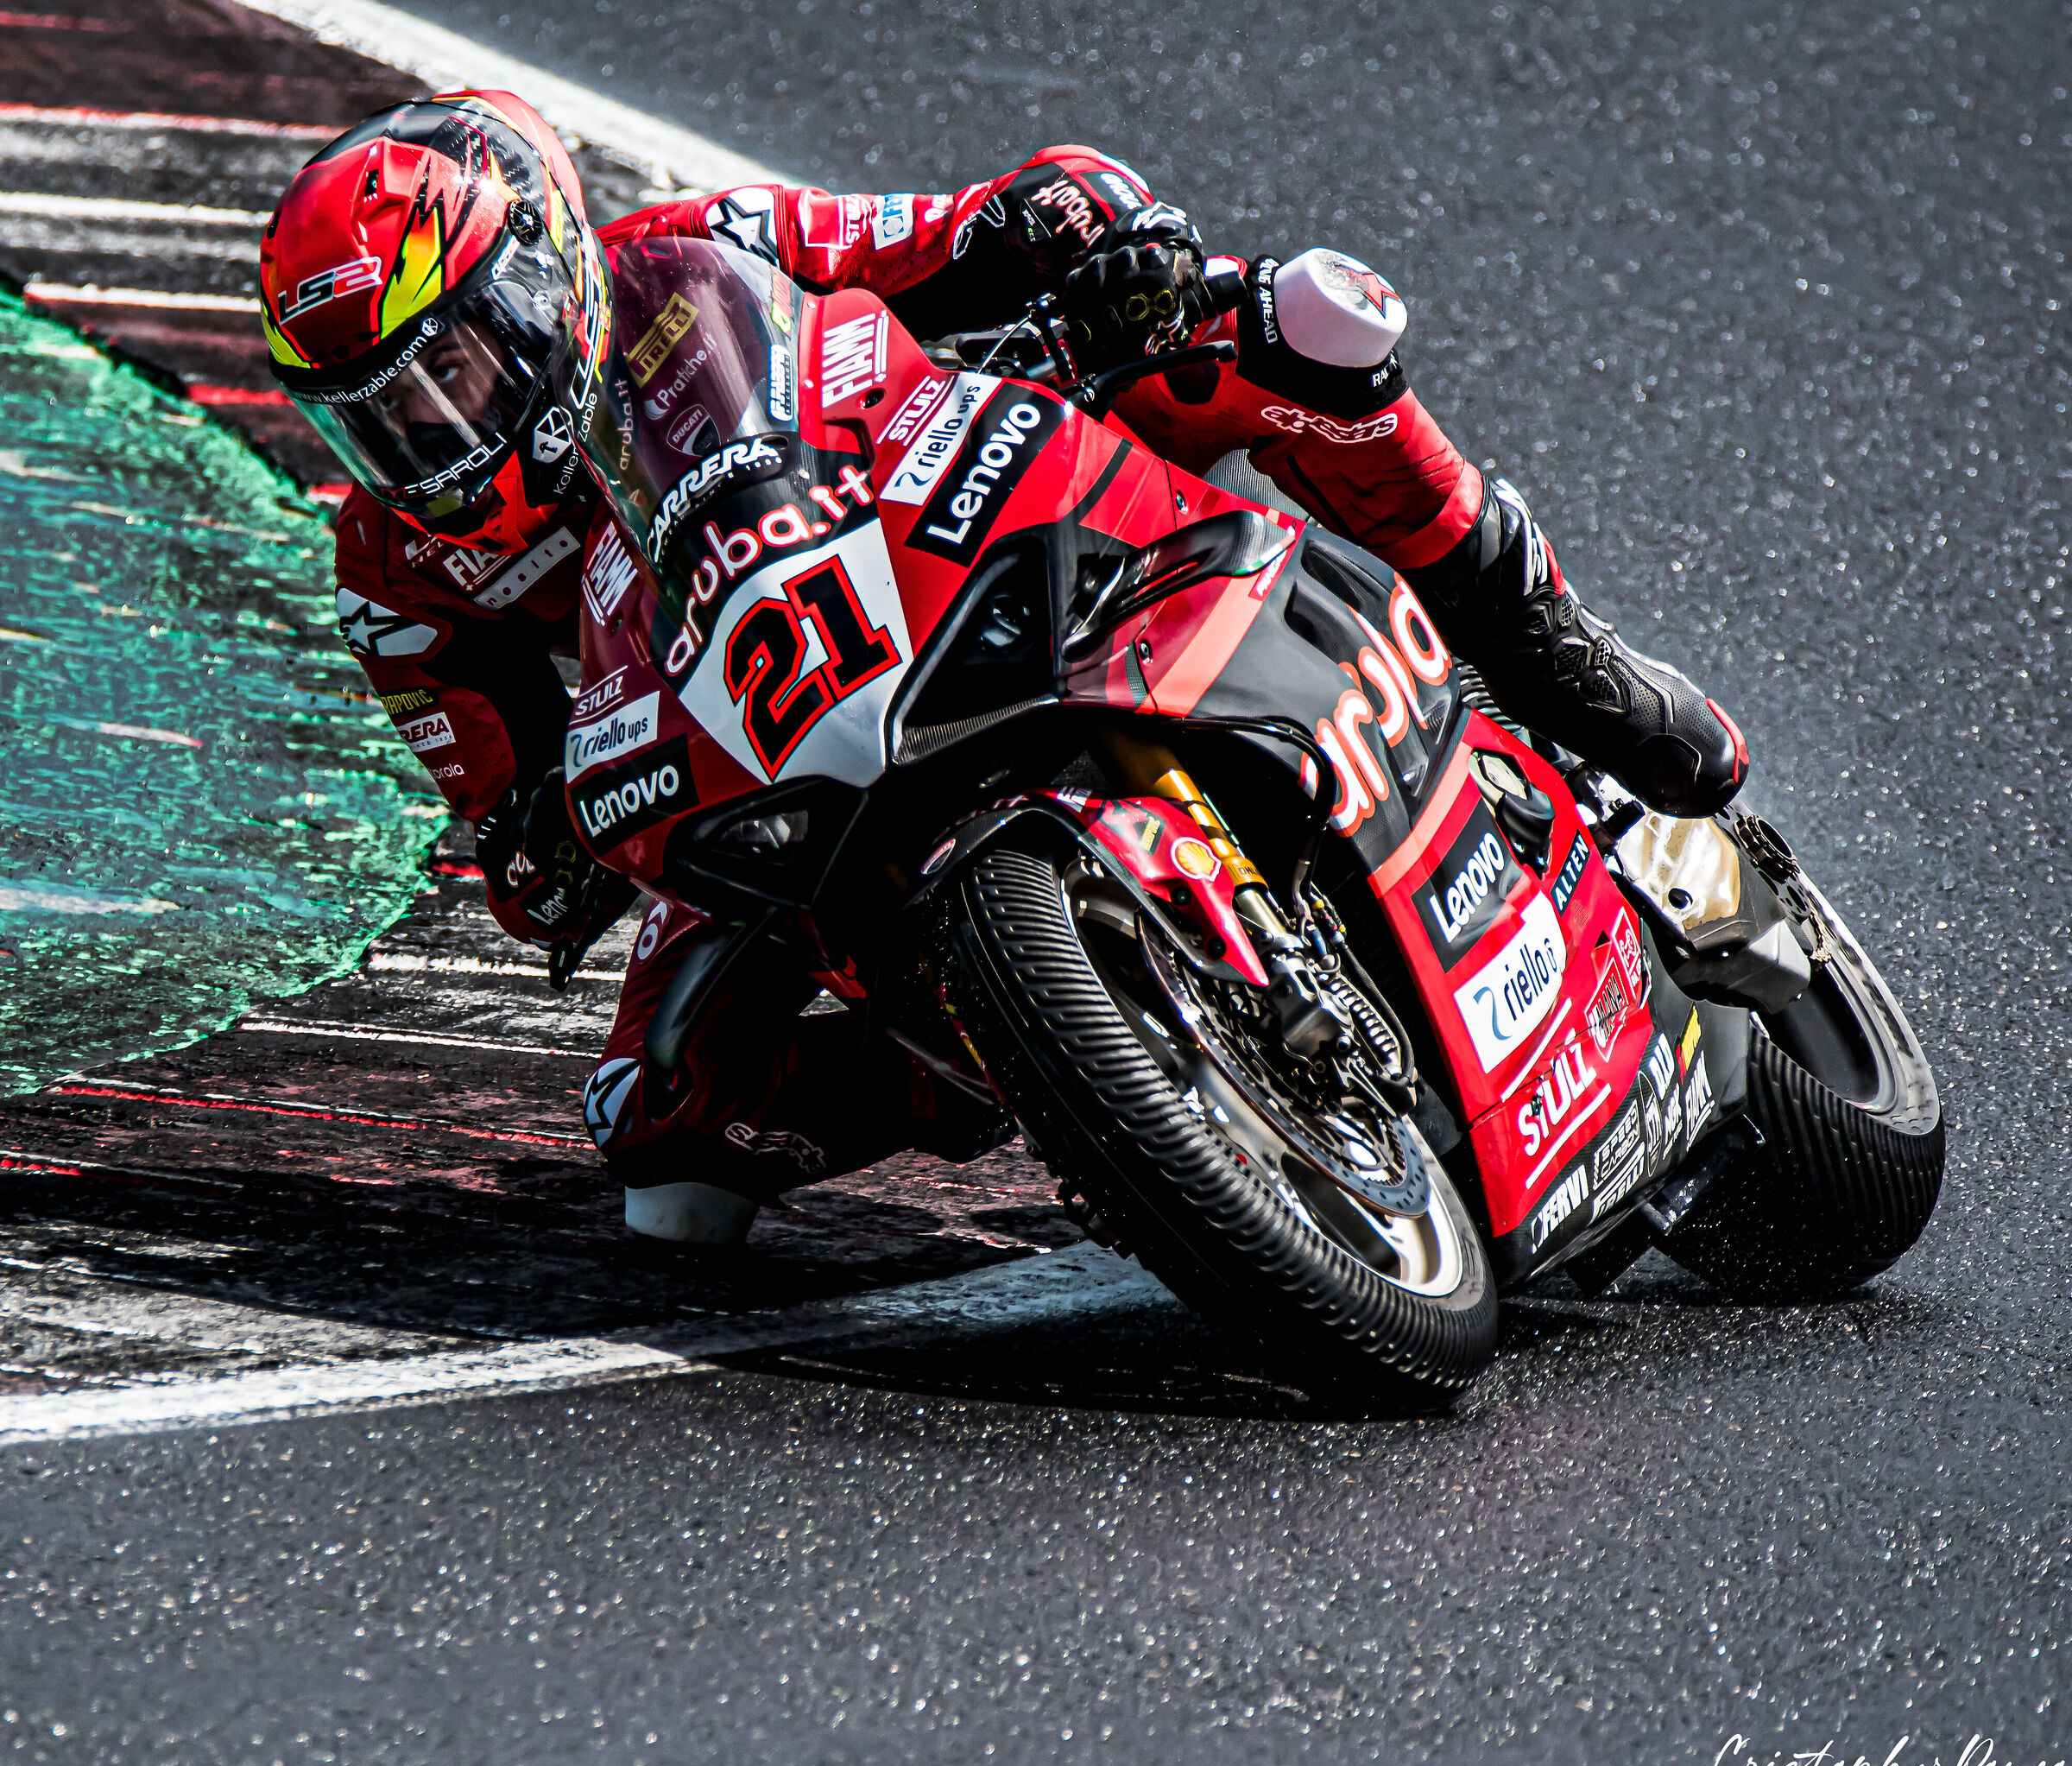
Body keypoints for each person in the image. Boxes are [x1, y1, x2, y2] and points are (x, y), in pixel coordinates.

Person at [261, 91, 1747, 1244]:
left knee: (1286, 326)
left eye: (446, 373)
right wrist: (543, 849)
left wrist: (1075, 225)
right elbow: (510, 825)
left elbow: (963, 225)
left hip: (965, 512)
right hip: (765, 761)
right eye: (373, 424)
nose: (426, 447)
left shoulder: (693, 253)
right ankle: (1038, 1066)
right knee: (667, 1146)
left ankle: (1549, 650)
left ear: (538, 284)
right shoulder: (395, 576)